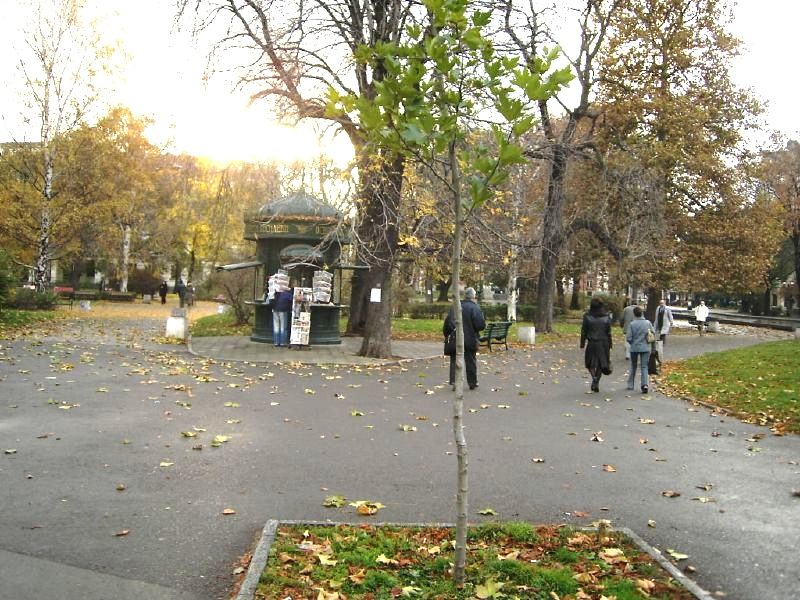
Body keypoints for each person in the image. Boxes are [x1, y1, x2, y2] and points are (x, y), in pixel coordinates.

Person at [443, 287, 486, 390]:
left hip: (456, 338)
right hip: (470, 339)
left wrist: (446, 335)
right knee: (470, 360)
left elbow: (448, 323)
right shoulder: (475, 308)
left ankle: (454, 381)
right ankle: (472, 382)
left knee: (454, 360)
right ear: (473, 296)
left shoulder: (456, 307)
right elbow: (480, 325)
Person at [580, 298, 613, 393]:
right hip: (604, 342)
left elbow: (584, 331)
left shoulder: (587, 316)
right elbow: (608, 332)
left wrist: (582, 343)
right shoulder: (606, 317)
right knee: (601, 364)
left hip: (592, 342)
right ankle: (596, 381)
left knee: (589, 363)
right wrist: (610, 344)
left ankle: (594, 378)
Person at [627, 306, 655, 393]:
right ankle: (644, 384)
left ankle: (631, 384)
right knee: (644, 366)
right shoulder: (648, 323)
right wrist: (653, 348)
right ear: (642, 313)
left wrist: (632, 343)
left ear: (634, 314)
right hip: (645, 347)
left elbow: (628, 338)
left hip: (634, 348)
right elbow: (653, 335)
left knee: (633, 365)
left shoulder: (632, 324)